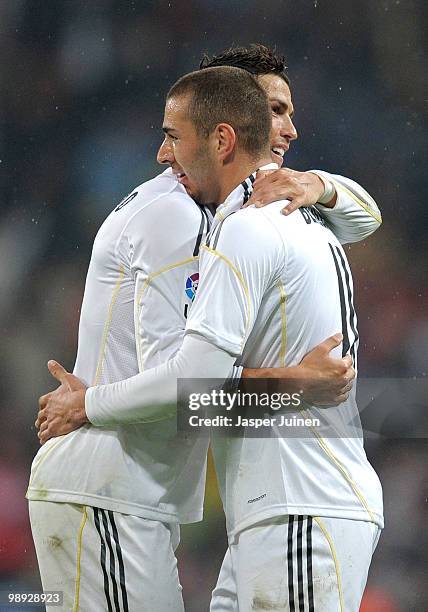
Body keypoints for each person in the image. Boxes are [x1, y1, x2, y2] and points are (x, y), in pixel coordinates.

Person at [31, 50, 381, 611]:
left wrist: (317, 182)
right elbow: (190, 383)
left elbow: (196, 383)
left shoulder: (258, 220)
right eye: (272, 113)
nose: (163, 153)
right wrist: (295, 382)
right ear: (233, 128)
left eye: (175, 135)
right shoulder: (194, 217)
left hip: (291, 498)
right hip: (126, 487)